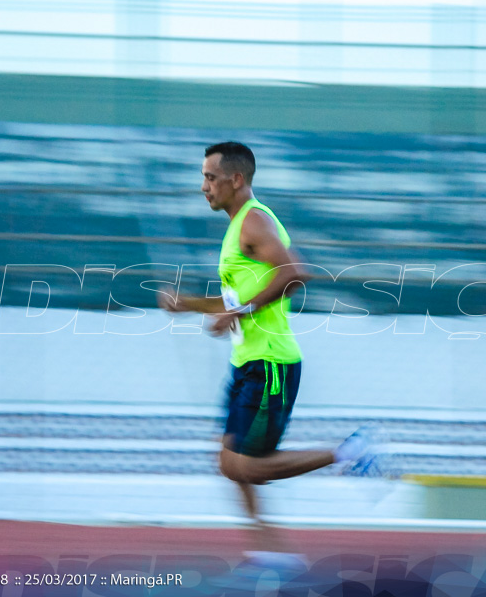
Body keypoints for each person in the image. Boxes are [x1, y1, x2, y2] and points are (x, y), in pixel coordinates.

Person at [158, 141, 383, 562]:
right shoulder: (245, 223)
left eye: (210, 177)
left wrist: (239, 312)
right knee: (228, 462)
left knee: (246, 467)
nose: (203, 186)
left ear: (236, 179)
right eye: (203, 177)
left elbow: (296, 275)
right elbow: (245, 294)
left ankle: (348, 453)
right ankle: (270, 553)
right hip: (247, 364)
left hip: (271, 365)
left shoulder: (253, 222)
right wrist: (189, 304)